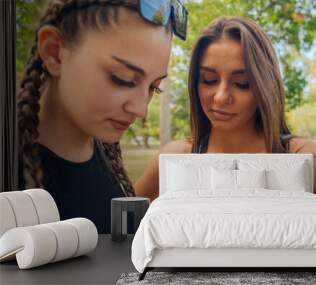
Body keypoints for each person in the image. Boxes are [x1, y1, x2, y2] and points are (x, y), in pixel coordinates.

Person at [135, 16, 316, 233]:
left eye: (242, 84)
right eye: (208, 80)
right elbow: (117, 228)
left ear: (264, 86)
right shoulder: (175, 158)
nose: (220, 96)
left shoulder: (303, 157)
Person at [17, 0, 188, 233]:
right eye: (123, 79)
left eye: (153, 87)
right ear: (54, 52)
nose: (140, 110)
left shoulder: (107, 155)